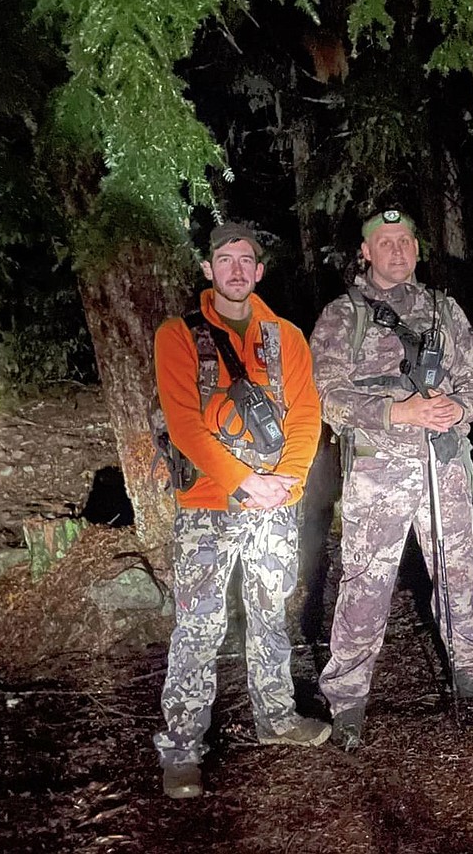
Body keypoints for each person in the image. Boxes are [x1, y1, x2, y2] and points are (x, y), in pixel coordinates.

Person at [310, 208, 473, 750]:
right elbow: (326, 395)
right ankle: (347, 698)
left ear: (416, 250)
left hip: (444, 463)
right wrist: (400, 414)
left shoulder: (442, 310)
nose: (397, 251)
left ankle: (470, 670)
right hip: (379, 471)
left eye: (405, 241)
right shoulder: (342, 316)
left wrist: (458, 408)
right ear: (366, 252)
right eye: (385, 242)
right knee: (365, 585)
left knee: (458, 574)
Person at [153, 222, 328, 799]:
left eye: (245, 260)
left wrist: (288, 479)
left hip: (276, 503)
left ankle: (276, 718)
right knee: (200, 624)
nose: (234, 269)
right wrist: (242, 480)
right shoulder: (177, 335)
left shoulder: (287, 337)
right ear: (207, 270)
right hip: (208, 505)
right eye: (223, 259)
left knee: (269, 613)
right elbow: (183, 424)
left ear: (258, 272)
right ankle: (182, 747)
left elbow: (305, 416)